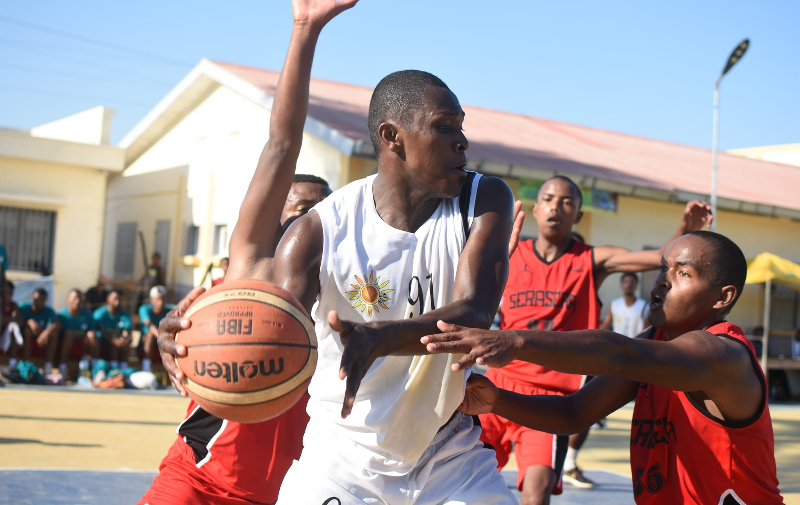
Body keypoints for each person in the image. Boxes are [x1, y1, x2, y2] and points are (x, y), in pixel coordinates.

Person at [139, 1, 353, 503]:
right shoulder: (252, 267)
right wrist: (305, 31)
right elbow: (282, 142)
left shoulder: (351, 293)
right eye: (297, 208)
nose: (305, 220)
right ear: (275, 215)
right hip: (198, 476)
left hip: (291, 491)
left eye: (318, 213)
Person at [423, 231, 783, 504]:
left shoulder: (722, 354)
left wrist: (516, 341)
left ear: (723, 297)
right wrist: (497, 400)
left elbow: (618, 352)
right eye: (663, 268)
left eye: (683, 272)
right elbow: (574, 412)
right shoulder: (657, 341)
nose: (662, 279)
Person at [479, 175, 712, 503]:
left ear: (578, 216)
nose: (556, 207)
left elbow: (658, 257)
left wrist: (685, 229)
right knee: (463, 480)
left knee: (536, 493)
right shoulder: (512, 252)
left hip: (551, 395)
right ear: (535, 208)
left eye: (567, 202)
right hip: (498, 384)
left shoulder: (591, 259)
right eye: (548, 199)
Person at [19, 288, 61, 377]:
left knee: (54, 334)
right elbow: (18, 322)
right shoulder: (24, 307)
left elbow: (57, 324)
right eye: (36, 299)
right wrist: (29, 322)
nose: (39, 302)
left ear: (45, 301)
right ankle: (26, 364)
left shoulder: (48, 310)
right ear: (32, 298)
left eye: (42, 300)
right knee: (27, 331)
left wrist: (46, 333)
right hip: (25, 338)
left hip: (42, 338)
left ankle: (48, 367)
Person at [57, 289, 100, 371]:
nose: (77, 301)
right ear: (68, 300)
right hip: (66, 345)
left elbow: (93, 331)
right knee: (69, 333)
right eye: (74, 298)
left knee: (92, 334)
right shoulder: (61, 315)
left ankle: (96, 367)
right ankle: (62, 367)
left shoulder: (88, 314)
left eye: (79, 298)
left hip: (83, 345)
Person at [601, 272, 650, 338]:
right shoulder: (614, 305)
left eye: (632, 282)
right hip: (617, 346)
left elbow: (647, 331)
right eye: (626, 282)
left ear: (636, 285)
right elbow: (605, 326)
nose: (629, 285)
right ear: (622, 285)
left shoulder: (644, 306)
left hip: (636, 346)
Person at [93, 289, 132, 370]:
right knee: (114, 340)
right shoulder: (100, 313)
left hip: (117, 344)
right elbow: (103, 333)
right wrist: (114, 341)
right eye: (115, 299)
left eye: (119, 299)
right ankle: (114, 370)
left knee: (124, 343)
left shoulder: (125, 314)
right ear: (108, 299)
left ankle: (123, 371)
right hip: (103, 343)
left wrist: (125, 340)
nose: (117, 302)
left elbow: (129, 332)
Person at [138, 286, 174, 372]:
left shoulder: (170, 310)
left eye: (163, 299)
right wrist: (161, 336)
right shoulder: (144, 309)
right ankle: (146, 368)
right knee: (150, 334)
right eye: (158, 299)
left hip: (164, 344)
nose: (160, 302)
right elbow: (149, 325)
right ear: (151, 300)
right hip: (145, 346)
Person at [1, 281, 25, 367]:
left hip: (5, 338)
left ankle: (12, 365)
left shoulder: (13, 305)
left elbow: (20, 322)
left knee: (13, 327)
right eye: (5, 293)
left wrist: (9, 320)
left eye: (10, 293)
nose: (8, 295)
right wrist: (13, 319)